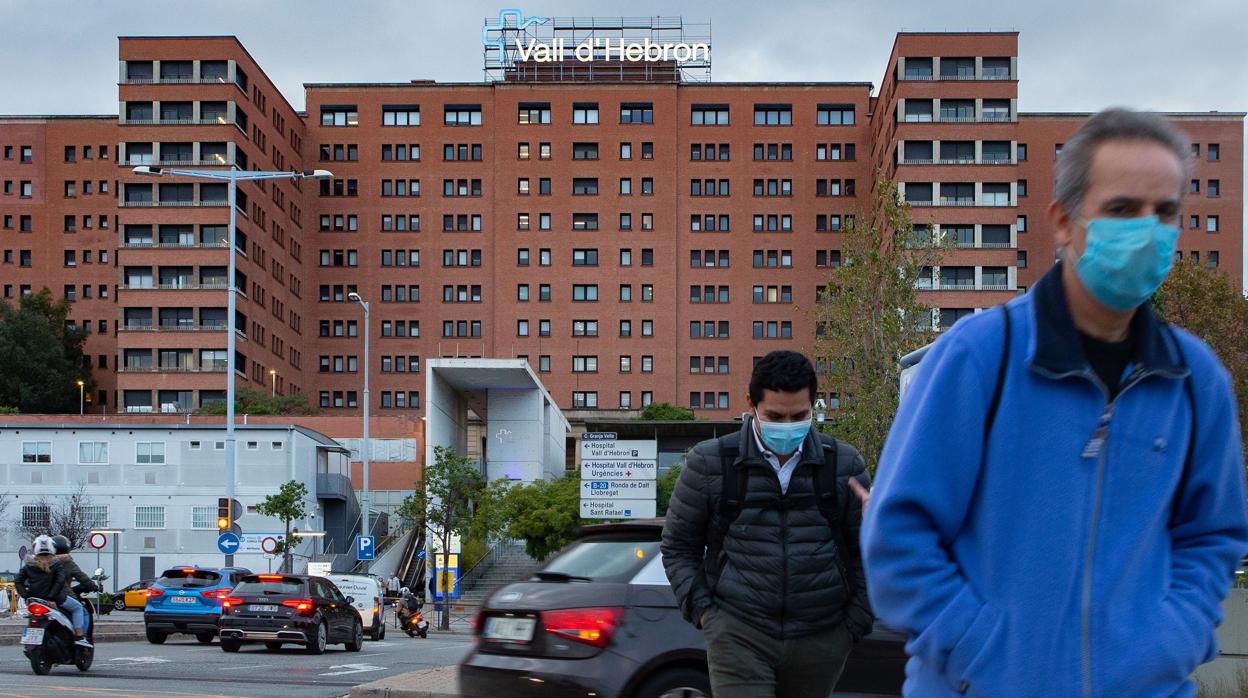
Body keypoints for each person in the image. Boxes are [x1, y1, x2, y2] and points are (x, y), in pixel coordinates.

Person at [863, 107, 1248, 696]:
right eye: (1122, 209)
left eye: (1164, 211)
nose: (1147, 229)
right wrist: (981, 648)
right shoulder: (978, 358)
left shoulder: (1196, 379)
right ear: (1064, 222)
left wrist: (1168, 640)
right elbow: (897, 537)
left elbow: (1213, 536)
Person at [662, 350, 873, 698]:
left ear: (813, 405)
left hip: (822, 636)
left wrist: (853, 625)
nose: (788, 427)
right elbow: (678, 547)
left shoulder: (843, 464)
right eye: (775, 416)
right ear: (751, 403)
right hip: (738, 631)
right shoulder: (710, 462)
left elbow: (867, 553)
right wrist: (706, 614)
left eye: (799, 416)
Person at [15, 535, 92, 647]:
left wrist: (26, 596)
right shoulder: (57, 564)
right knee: (78, 608)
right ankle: (80, 636)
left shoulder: (28, 565)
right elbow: (60, 581)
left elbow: (18, 581)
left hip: (34, 600)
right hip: (56, 599)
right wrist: (51, 597)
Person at [52, 535, 97, 637]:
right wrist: (94, 586)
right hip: (61, 595)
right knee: (81, 610)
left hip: (41, 597)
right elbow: (82, 577)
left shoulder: (43, 561)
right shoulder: (66, 562)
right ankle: (82, 637)